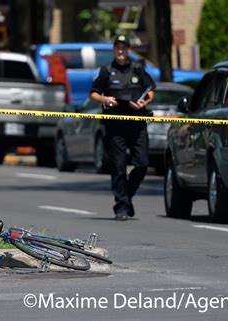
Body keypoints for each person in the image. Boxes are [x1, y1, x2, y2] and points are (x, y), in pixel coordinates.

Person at [89, 35, 156, 221]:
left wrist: (144, 101)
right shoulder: (106, 70)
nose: (121, 51)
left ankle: (126, 197)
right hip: (115, 125)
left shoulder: (137, 68)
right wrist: (104, 99)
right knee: (118, 167)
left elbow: (150, 90)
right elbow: (93, 93)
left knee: (142, 164)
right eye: (118, 47)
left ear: (128, 50)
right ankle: (121, 208)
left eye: (124, 48)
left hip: (137, 123)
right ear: (114, 50)